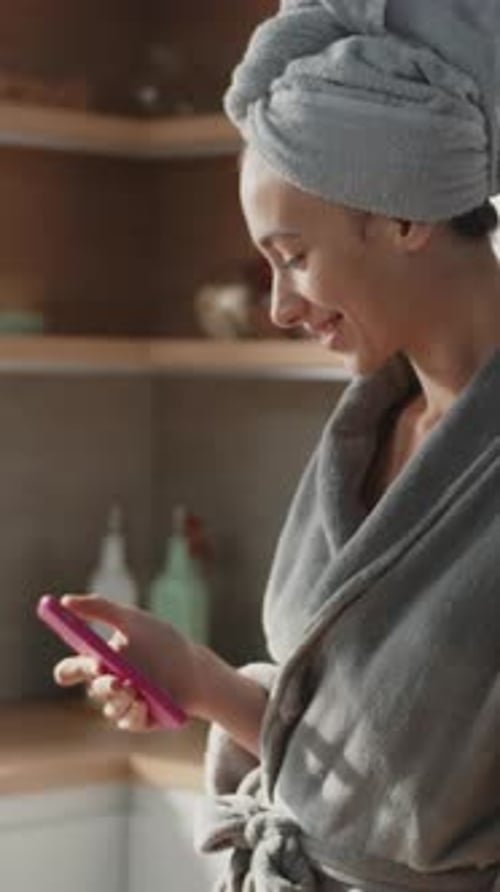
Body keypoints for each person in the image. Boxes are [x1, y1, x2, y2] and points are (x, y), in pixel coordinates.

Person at [53, 1, 500, 889]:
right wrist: (199, 679)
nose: (280, 307)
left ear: (403, 217)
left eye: (292, 256)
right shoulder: (371, 427)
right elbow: (371, 781)